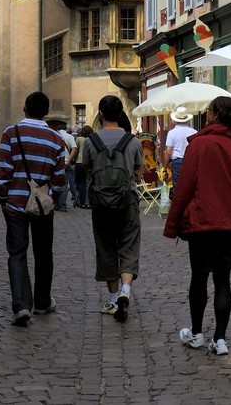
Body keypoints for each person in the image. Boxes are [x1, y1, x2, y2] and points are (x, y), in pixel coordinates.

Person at [164, 95, 231, 356]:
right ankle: (220, 338)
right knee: (223, 280)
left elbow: (184, 187)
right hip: (230, 222)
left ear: (214, 114)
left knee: (199, 277)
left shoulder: (200, 144)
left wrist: (174, 223)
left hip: (202, 220)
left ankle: (196, 333)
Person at [0, 92, 68, 327]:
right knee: (44, 253)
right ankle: (42, 301)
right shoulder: (56, 139)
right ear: (46, 112)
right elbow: (59, 177)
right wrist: (50, 198)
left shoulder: (11, 133)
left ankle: (21, 306)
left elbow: (3, 169)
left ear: (25, 108)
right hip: (42, 205)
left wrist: (4, 197)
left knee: (17, 253)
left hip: (15, 203)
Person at [87, 94, 142, 322]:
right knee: (129, 244)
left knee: (106, 246)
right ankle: (125, 291)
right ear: (120, 114)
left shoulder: (91, 141)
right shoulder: (133, 141)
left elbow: (87, 170)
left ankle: (111, 299)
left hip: (101, 202)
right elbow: (138, 172)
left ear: (100, 114)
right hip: (127, 199)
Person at [163, 107, 196, 188]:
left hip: (178, 163)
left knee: (178, 187)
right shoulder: (194, 132)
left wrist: (165, 168)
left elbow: (168, 152)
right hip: (191, 161)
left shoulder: (172, 133)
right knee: (190, 186)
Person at [51, 120, 76, 210]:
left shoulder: (54, 135)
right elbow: (74, 148)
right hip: (66, 162)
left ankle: (55, 203)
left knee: (55, 181)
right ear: (66, 129)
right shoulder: (70, 136)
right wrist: (69, 160)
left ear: (58, 129)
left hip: (56, 162)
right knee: (64, 183)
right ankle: (62, 205)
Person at [72, 125, 92, 209]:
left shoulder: (79, 139)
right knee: (88, 183)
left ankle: (82, 202)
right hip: (89, 163)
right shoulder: (91, 139)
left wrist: (74, 159)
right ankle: (88, 202)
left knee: (81, 183)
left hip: (80, 163)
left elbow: (75, 151)